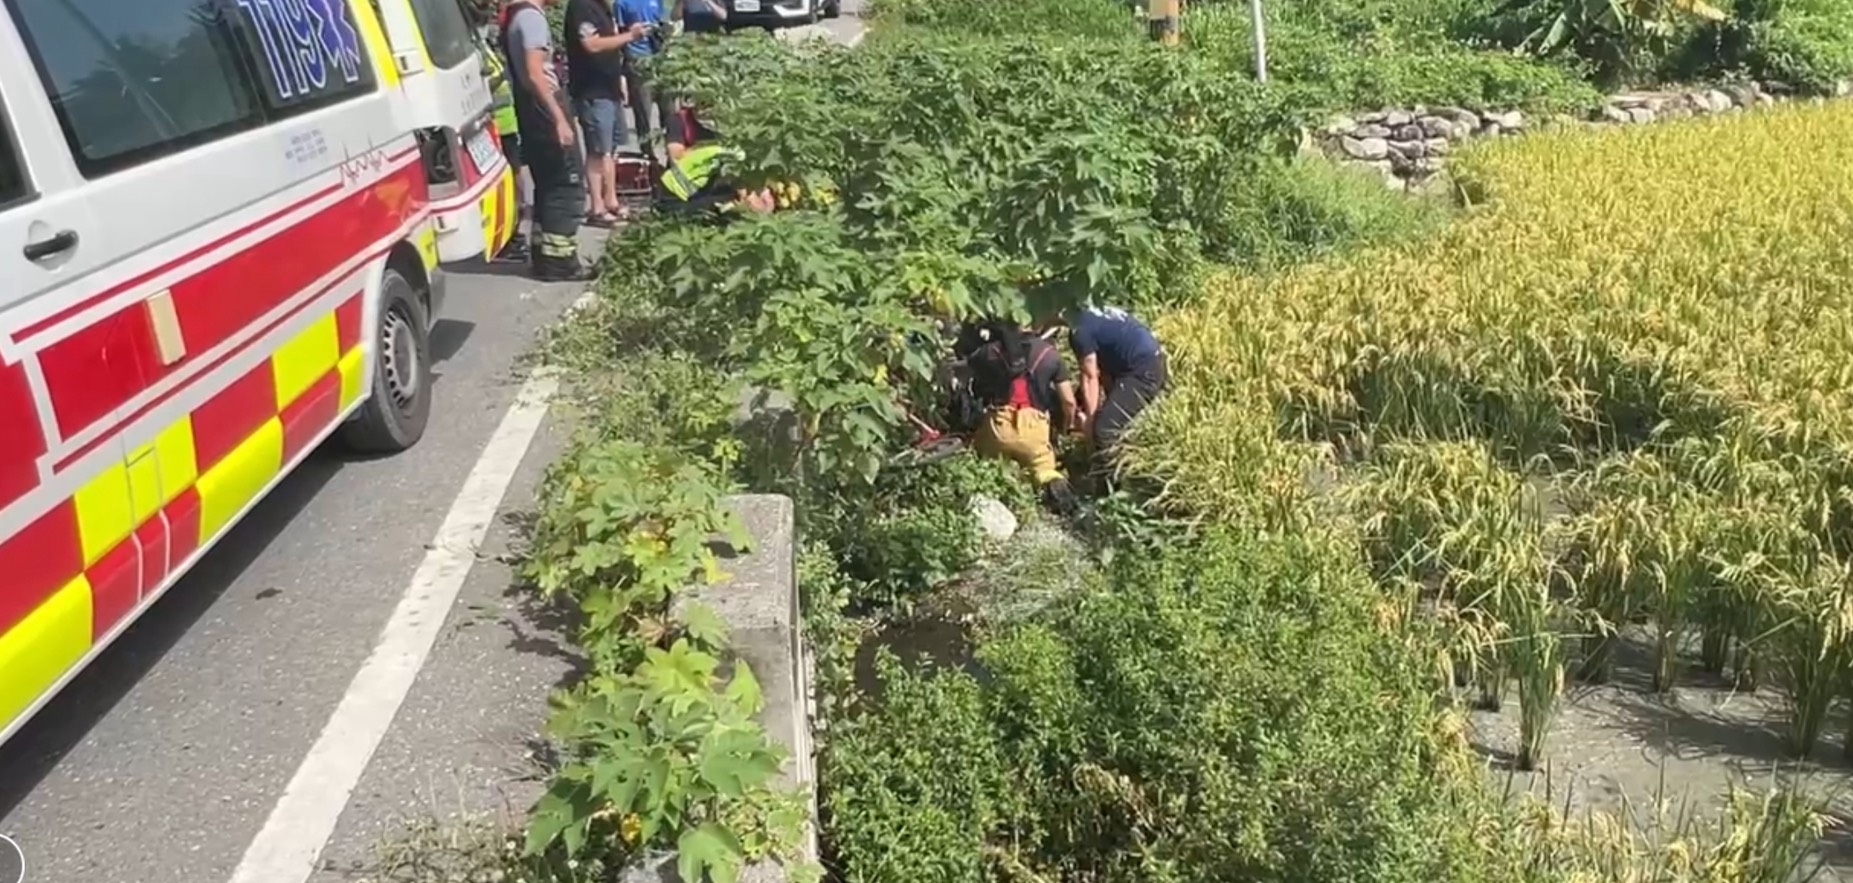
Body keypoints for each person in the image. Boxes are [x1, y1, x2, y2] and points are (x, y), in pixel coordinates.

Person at [498, 0, 594, 281]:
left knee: (549, 186)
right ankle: (561, 264)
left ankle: (544, 257)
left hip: (531, 109)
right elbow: (535, 72)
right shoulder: (531, 19)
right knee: (567, 186)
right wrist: (559, 119)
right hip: (544, 108)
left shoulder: (517, 16)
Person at [960, 319, 1080, 515]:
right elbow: (1068, 402)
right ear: (1037, 324)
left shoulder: (989, 352)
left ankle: (989, 497)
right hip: (1035, 430)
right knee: (1045, 472)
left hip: (998, 426)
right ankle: (1062, 508)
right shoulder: (1050, 355)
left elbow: (964, 375)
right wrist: (1066, 428)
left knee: (985, 462)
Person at [1048, 304, 1166, 470]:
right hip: (1146, 360)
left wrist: (1090, 424)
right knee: (1105, 415)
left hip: (1142, 372)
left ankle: (1111, 484)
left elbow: (1090, 376)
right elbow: (1101, 370)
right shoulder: (1093, 310)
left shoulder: (1079, 330)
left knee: (1104, 430)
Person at [565, 0, 649, 227]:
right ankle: (597, 207)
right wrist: (630, 36)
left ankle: (611, 200)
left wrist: (620, 77)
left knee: (610, 150)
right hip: (592, 90)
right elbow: (591, 44)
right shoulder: (581, 7)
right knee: (597, 151)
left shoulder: (603, 7)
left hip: (609, 87)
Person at [479, 23, 532, 261]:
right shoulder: (477, 52)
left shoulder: (487, 49)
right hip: (495, 126)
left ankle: (516, 231)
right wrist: (501, 75)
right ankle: (507, 237)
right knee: (505, 183)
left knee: (517, 179)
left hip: (508, 123)